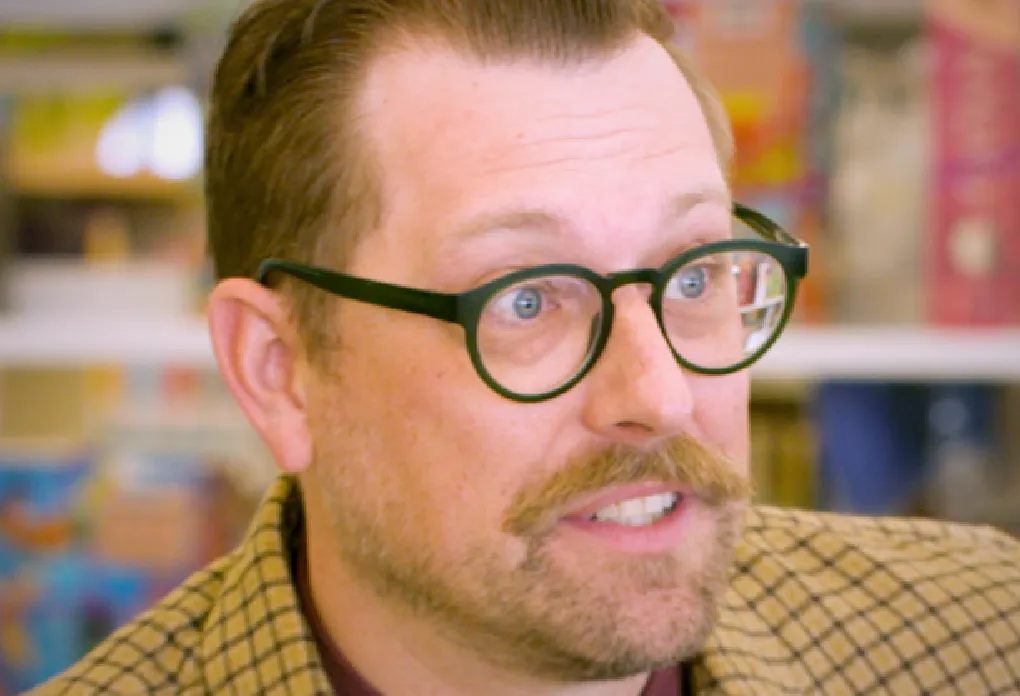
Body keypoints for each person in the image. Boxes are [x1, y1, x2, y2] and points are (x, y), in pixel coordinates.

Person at [34, 0, 1020, 694]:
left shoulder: (981, 639)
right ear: (278, 371)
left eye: (692, 278)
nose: (662, 395)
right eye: (526, 299)